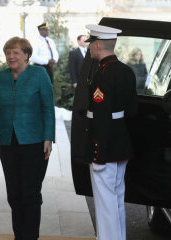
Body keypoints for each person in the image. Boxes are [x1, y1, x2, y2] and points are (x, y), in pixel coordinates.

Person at [0, 37, 55, 240]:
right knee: (14, 195)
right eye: (8, 52)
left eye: (15, 52)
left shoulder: (39, 74)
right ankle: (20, 236)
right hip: (8, 143)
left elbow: (47, 108)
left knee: (30, 194)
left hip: (35, 143)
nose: (11, 56)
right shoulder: (0, 77)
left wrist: (48, 137)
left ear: (26, 55)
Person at [84, 24, 137, 240]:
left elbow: (102, 118)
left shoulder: (103, 75)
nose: (88, 49)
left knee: (105, 202)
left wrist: (98, 153)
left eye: (90, 44)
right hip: (120, 143)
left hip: (105, 147)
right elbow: (133, 110)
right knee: (116, 199)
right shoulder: (126, 70)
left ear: (97, 45)